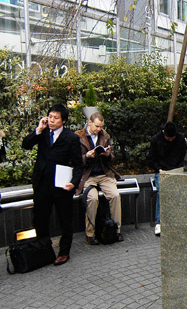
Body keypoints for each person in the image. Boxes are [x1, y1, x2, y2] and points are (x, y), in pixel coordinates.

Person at [22, 104, 83, 265]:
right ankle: (44, 249)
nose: (51, 120)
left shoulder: (71, 138)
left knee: (65, 220)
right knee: (40, 219)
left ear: (63, 121)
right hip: (42, 183)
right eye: (50, 116)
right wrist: (38, 130)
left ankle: (64, 252)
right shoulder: (42, 133)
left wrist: (73, 183)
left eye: (56, 118)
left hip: (62, 185)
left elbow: (78, 165)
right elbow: (25, 144)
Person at [75, 112, 123, 244]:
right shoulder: (78, 136)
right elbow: (73, 160)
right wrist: (86, 157)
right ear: (89, 122)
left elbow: (112, 158)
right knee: (92, 198)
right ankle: (90, 234)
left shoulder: (105, 135)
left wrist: (107, 154)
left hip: (104, 174)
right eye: (97, 126)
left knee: (115, 195)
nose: (99, 129)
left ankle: (116, 231)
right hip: (88, 175)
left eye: (101, 127)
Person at [149, 121, 187, 236]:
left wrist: (178, 169)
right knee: (162, 192)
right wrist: (159, 169)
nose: (170, 140)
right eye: (168, 138)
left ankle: (180, 220)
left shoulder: (180, 139)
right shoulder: (155, 140)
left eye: (172, 138)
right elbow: (151, 160)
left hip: (177, 171)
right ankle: (159, 222)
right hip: (161, 171)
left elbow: (184, 157)